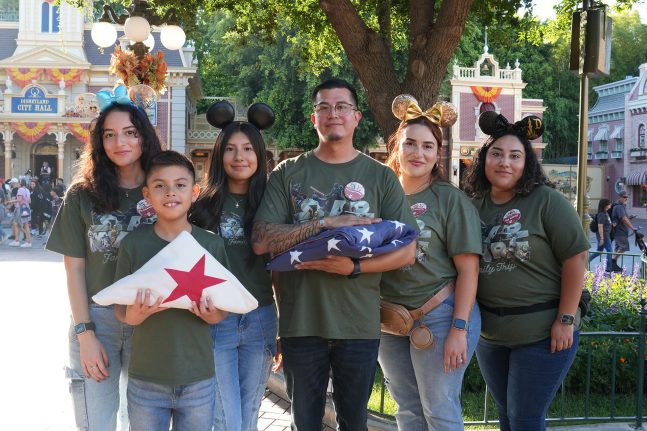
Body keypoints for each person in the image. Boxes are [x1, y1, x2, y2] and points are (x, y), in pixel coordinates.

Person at [252, 78, 417, 430]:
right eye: (323, 107)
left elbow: (407, 251)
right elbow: (262, 240)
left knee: (354, 422)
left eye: (341, 106)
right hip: (301, 323)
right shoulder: (288, 174)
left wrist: (353, 267)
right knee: (305, 422)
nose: (333, 114)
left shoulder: (381, 177)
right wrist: (325, 223)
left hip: (357, 323)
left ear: (356, 117)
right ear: (314, 119)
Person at [462, 111, 589, 431]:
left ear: (526, 163)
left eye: (515, 156)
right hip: (491, 335)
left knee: (525, 419)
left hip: (543, 333)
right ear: (483, 160)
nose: (505, 162)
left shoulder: (546, 201)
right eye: (497, 154)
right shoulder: (472, 204)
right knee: (507, 415)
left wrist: (566, 319)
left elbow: (576, 258)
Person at [45, 100, 163, 431]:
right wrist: (85, 334)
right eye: (109, 135)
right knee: (96, 424)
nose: (119, 143)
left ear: (144, 137)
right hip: (98, 321)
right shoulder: (82, 195)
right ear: (99, 142)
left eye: (129, 133)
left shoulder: (163, 189)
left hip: (152, 319)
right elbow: (74, 270)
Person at [378, 96, 482, 430]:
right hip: (389, 319)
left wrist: (459, 328)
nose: (417, 153)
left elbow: (468, 269)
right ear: (397, 147)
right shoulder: (380, 195)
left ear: (438, 154)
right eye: (409, 144)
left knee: (439, 410)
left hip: (439, 316)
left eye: (427, 146)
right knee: (406, 409)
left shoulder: (449, 199)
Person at [114, 150, 228, 431]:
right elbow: (120, 309)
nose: (170, 193)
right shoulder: (133, 245)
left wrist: (212, 315)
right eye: (159, 186)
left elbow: (222, 310)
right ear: (147, 194)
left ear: (194, 191)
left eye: (180, 184)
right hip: (145, 381)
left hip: (198, 378)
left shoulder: (212, 246)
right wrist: (135, 316)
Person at [190, 102, 277, 431]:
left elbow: (282, 269)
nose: (239, 157)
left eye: (247, 149)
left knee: (249, 415)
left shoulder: (274, 202)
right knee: (225, 418)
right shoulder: (200, 206)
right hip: (216, 319)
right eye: (230, 149)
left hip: (261, 317)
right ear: (218, 155)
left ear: (259, 154)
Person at [610, 191, 638, 272]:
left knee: (618, 247)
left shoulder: (622, 206)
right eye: (624, 197)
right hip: (619, 232)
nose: (626, 198)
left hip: (621, 231)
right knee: (624, 246)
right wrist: (633, 228)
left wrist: (630, 218)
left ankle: (613, 265)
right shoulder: (618, 207)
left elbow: (625, 218)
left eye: (627, 197)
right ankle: (612, 262)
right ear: (620, 197)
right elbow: (624, 219)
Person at [589, 198, 613, 271]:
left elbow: (607, 223)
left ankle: (585, 262)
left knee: (599, 251)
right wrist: (602, 238)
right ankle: (608, 268)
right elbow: (600, 226)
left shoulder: (606, 213)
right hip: (604, 236)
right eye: (609, 203)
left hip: (606, 235)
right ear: (605, 205)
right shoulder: (601, 214)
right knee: (610, 251)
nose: (610, 204)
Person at [7, 178, 32, 247]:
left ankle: (27, 242)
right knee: (18, 224)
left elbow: (19, 200)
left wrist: (10, 202)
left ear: (20, 184)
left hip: (20, 209)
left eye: (18, 183)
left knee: (21, 225)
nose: (17, 184)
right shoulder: (27, 190)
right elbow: (29, 201)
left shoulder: (20, 190)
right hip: (26, 209)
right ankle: (18, 240)